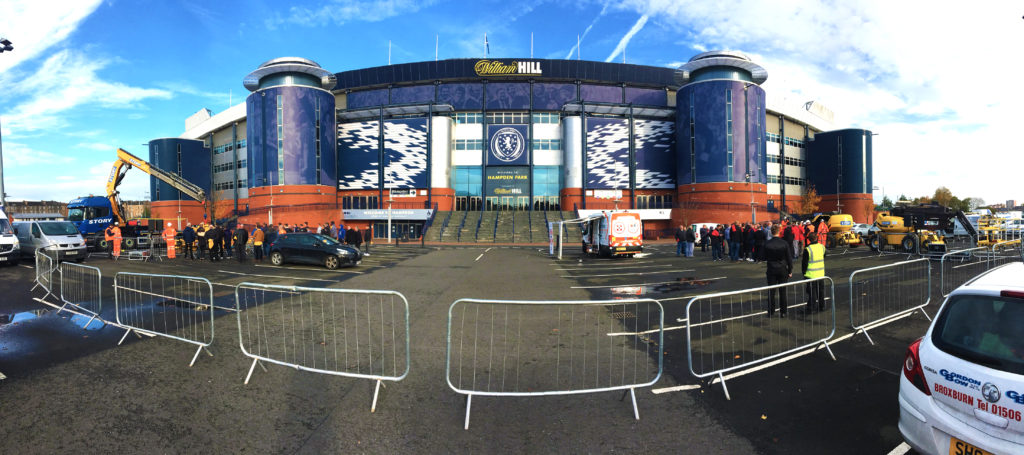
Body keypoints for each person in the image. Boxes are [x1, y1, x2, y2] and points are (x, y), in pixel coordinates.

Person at [764, 224, 793, 318]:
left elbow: (762, 256)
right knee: (782, 291)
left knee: (771, 291)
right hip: (782, 268)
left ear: (771, 232)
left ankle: (771, 311)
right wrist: (790, 270)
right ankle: (783, 312)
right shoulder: (784, 243)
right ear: (779, 231)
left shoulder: (767, 243)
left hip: (771, 268)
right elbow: (789, 258)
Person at [802, 234, 827, 312]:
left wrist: (804, 272)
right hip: (820, 273)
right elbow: (824, 255)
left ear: (809, 239)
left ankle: (812, 307)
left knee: (812, 292)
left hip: (811, 274)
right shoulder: (822, 247)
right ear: (817, 238)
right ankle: (821, 306)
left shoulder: (808, 249)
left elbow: (804, 263)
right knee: (821, 291)